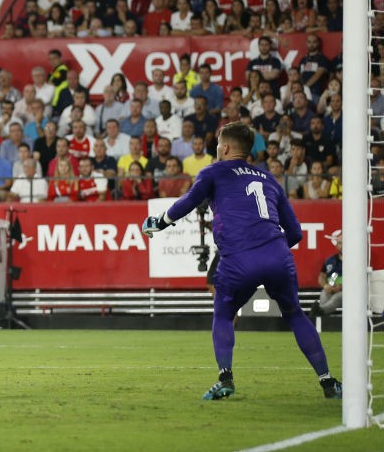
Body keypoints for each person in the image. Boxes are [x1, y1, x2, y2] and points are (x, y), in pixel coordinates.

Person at [142, 123, 342, 400]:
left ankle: (225, 378)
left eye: (218, 144)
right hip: (277, 255)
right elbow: (295, 232)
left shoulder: (214, 171)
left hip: (238, 259)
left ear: (224, 147)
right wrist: (271, 249)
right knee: (295, 314)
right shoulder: (269, 178)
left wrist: (159, 222)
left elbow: (189, 200)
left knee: (223, 315)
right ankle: (328, 382)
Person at [311, 230, 342, 320]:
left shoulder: (353, 260)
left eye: (344, 243)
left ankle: (320, 311)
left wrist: (341, 287)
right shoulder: (330, 261)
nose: (342, 246)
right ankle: (321, 320)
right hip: (331, 288)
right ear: (336, 245)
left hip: (347, 291)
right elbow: (322, 277)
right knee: (324, 294)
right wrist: (326, 286)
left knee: (337, 297)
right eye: (340, 243)